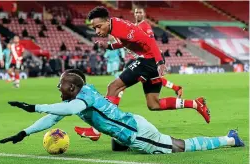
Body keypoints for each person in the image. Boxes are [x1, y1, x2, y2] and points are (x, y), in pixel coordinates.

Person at [0, 69, 244, 155]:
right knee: (116, 139)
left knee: (180, 146)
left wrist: (33, 106)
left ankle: (230, 138)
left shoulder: (81, 100)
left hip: (139, 134)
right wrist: (24, 132)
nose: (57, 87)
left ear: (72, 87)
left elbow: (68, 108)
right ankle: (120, 140)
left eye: (61, 84)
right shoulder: (81, 95)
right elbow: (54, 116)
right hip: (130, 124)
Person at [75, 7, 210, 141]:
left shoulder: (120, 28)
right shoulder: (115, 25)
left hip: (147, 61)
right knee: (154, 104)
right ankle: (196, 104)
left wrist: (159, 62)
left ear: (107, 21)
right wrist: (109, 47)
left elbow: (149, 41)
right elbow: (125, 42)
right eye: (94, 29)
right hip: (149, 61)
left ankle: (96, 130)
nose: (97, 31)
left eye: (99, 27)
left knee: (113, 87)